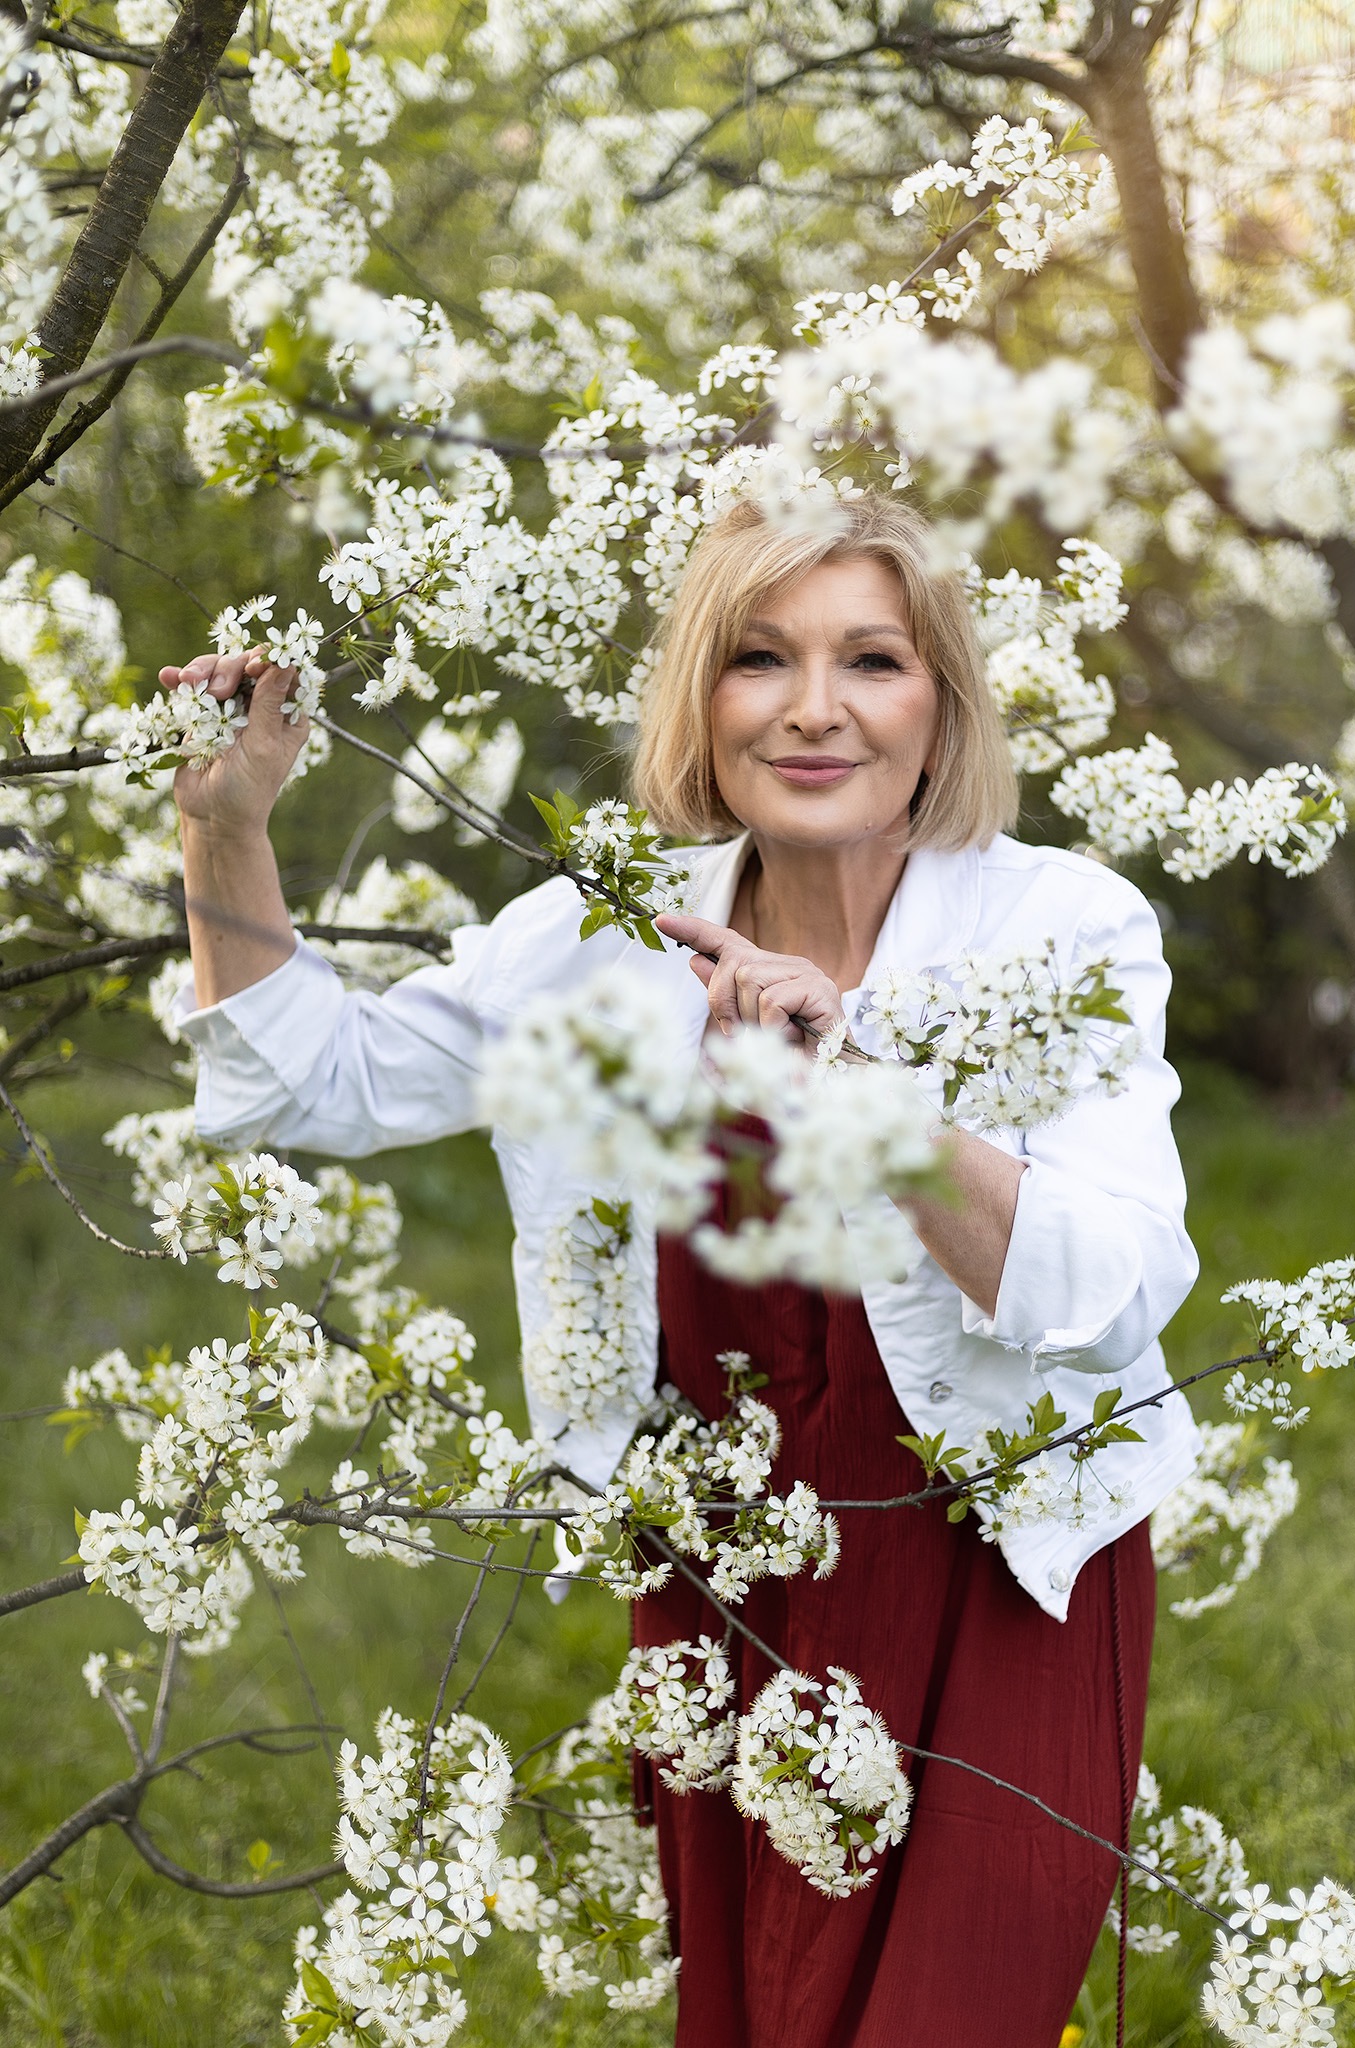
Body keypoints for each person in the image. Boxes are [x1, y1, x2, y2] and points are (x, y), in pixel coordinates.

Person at [162, 495, 1200, 2048]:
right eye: (759, 659)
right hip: (731, 1570)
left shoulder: (1063, 929)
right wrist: (224, 825)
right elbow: (310, 1080)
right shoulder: (606, 938)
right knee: (762, 2015)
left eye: (872, 661)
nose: (814, 708)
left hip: (1001, 1563)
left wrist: (858, 1089)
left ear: (943, 705)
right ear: (701, 702)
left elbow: (1110, 1290)